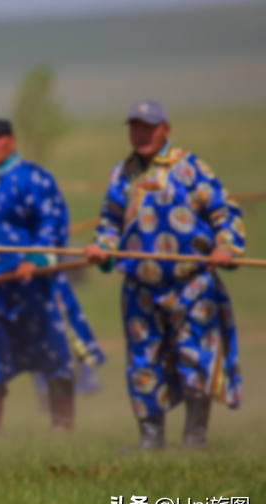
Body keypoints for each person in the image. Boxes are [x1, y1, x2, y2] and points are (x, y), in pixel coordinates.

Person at [84, 101, 244, 450]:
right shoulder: (122, 173)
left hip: (192, 284)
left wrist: (226, 247)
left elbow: (224, 211)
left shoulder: (189, 168)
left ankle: (194, 441)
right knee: (143, 360)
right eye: (135, 126)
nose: (141, 133)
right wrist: (102, 247)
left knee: (195, 357)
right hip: (141, 288)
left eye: (149, 126)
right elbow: (111, 223)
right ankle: (150, 442)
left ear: (165, 130)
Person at [0, 118, 104, 436]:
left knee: (50, 350)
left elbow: (52, 223)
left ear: (11, 142)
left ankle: (62, 423)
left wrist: (35, 258)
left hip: (32, 285)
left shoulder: (33, 178)